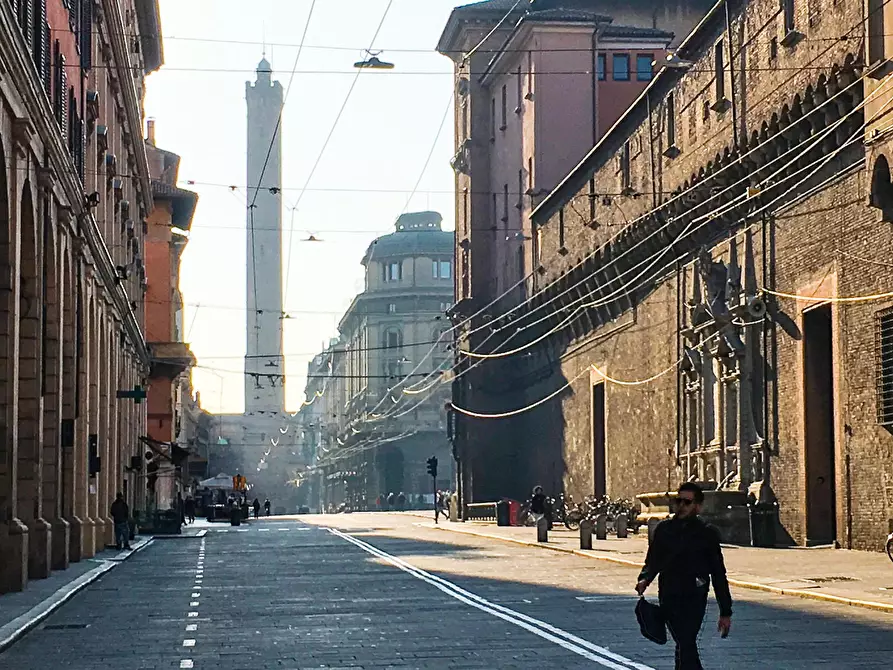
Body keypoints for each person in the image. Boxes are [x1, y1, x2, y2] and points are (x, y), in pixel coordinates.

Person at [636, 482, 733, 670]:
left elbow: (718, 573)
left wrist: (725, 611)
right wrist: (645, 579)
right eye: (678, 501)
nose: (681, 506)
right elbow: (654, 559)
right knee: (684, 642)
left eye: (687, 502)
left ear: (698, 506)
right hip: (669, 594)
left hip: (694, 597)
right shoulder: (664, 530)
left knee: (686, 640)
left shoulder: (706, 534)